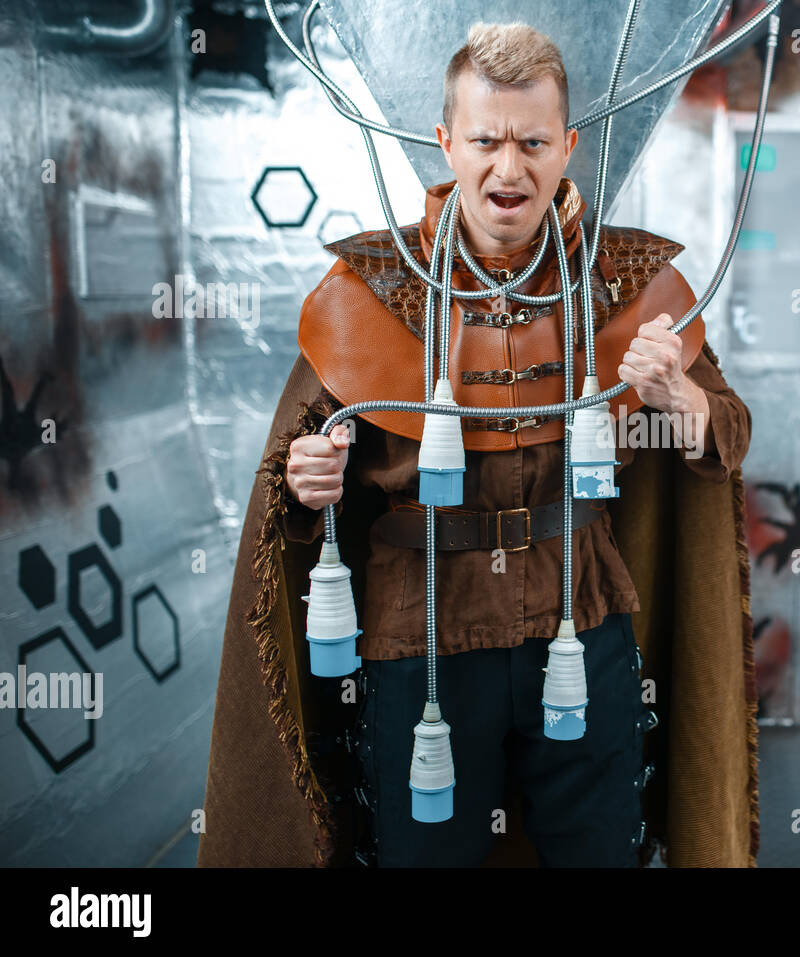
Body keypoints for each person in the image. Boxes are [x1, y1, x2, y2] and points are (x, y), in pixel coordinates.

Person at [197, 21, 760, 868]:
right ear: (446, 143)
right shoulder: (369, 291)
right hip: (418, 632)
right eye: (486, 140)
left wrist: (678, 396)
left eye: (533, 141)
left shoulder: (630, 285)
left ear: (567, 145)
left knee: (599, 855)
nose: (510, 167)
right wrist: (308, 484)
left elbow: (728, 434)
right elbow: (296, 477)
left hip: (582, 611)